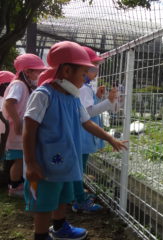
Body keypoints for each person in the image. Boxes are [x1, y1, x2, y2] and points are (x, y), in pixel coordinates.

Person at [23, 41, 127, 240]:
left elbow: (87, 123)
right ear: (67, 70)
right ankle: (41, 235)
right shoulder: (43, 95)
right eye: (83, 73)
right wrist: (30, 162)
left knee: (63, 193)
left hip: (66, 160)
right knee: (45, 200)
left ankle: (60, 226)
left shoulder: (73, 98)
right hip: (44, 162)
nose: (85, 77)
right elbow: (29, 127)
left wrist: (109, 138)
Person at [72, 46, 117, 213]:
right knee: (79, 168)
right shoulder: (83, 88)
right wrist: (108, 102)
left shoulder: (84, 86)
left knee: (78, 166)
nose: (96, 70)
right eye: (94, 66)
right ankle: (79, 200)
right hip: (83, 133)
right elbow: (87, 113)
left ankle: (76, 194)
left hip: (80, 133)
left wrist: (97, 97)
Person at [2, 55, 46, 197]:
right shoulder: (18, 85)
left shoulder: (25, 85)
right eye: (37, 71)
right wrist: (17, 121)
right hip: (17, 129)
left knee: (20, 158)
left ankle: (17, 184)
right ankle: (15, 187)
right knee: (20, 158)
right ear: (27, 72)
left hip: (19, 128)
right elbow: (9, 103)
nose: (40, 74)